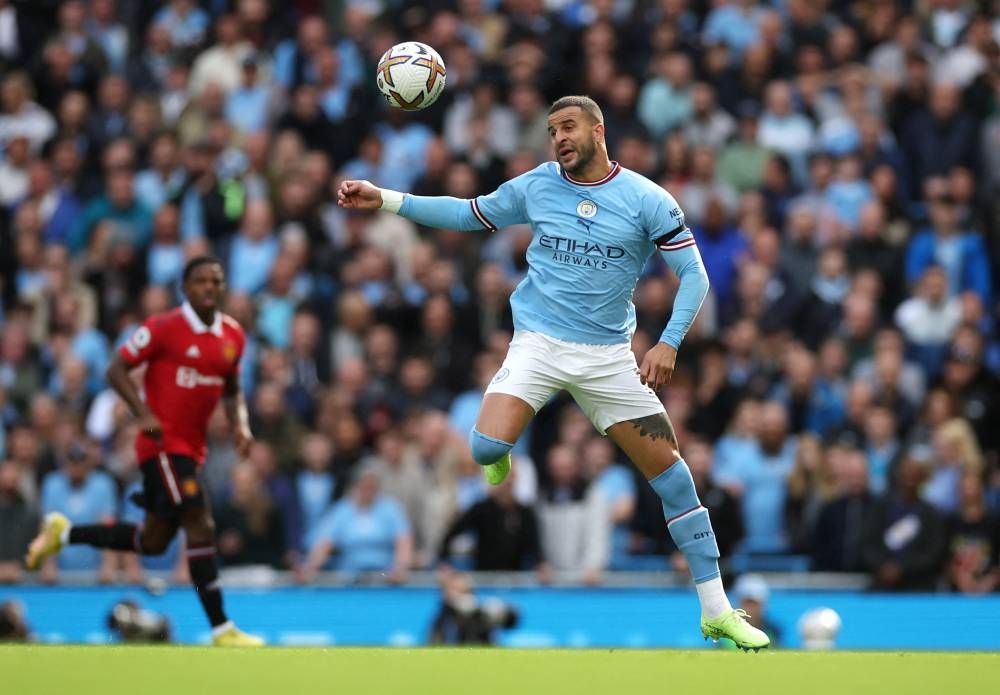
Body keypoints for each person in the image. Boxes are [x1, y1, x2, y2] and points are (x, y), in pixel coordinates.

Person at [338, 95, 768, 650]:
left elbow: (695, 275)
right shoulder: (537, 184)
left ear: (598, 129)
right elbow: (467, 213)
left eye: (568, 127)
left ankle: (716, 610)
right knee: (486, 449)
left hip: (609, 357)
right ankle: (503, 454)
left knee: (674, 478)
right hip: (539, 344)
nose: (559, 138)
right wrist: (387, 199)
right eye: (551, 130)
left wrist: (667, 343)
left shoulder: (646, 199)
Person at [25, 256, 263, 646]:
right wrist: (142, 411)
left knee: (152, 541)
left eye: (216, 281)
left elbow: (233, 387)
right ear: (185, 289)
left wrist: (240, 423)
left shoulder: (233, 336)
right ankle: (222, 628)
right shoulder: (163, 327)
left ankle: (63, 533)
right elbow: (116, 368)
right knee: (199, 521)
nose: (209, 288)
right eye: (201, 281)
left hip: (193, 449)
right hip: (162, 445)